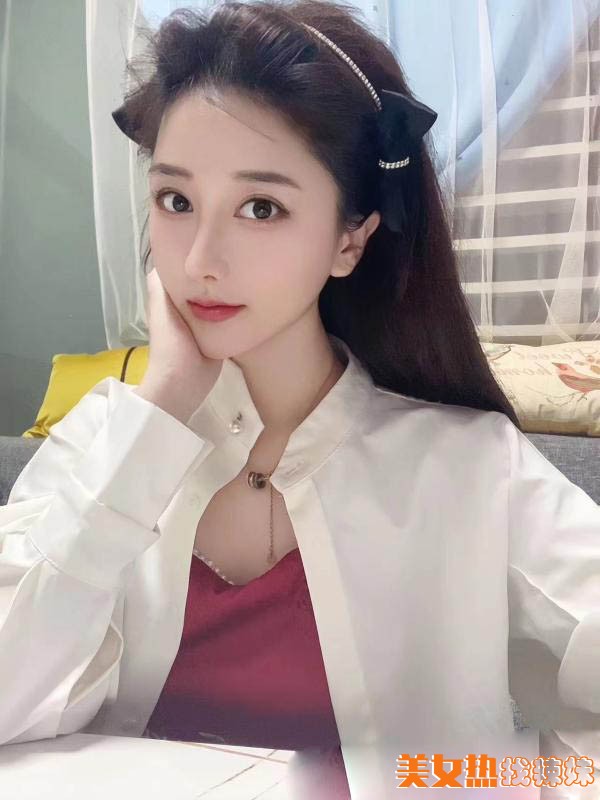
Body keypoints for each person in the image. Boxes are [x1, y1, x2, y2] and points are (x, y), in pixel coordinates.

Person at [1, 2, 599, 798]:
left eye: (262, 208)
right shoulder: (107, 440)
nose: (201, 259)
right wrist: (161, 411)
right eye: (176, 200)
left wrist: (487, 783)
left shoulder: (472, 468)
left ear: (350, 239)